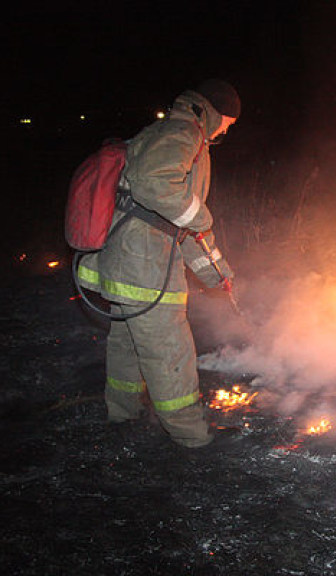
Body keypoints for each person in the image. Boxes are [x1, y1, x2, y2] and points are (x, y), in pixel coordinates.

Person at [76, 79, 240, 447]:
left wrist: (216, 276)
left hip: (124, 261)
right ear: (216, 113)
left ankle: (123, 414)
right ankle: (192, 436)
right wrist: (202, 217)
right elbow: (156, 187)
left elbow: (180, 224)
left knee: (128, 343)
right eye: (228, 122)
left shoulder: (170, 132)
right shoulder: (183, 133)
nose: (227, 130)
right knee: (169, 350)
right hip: (144, 264)